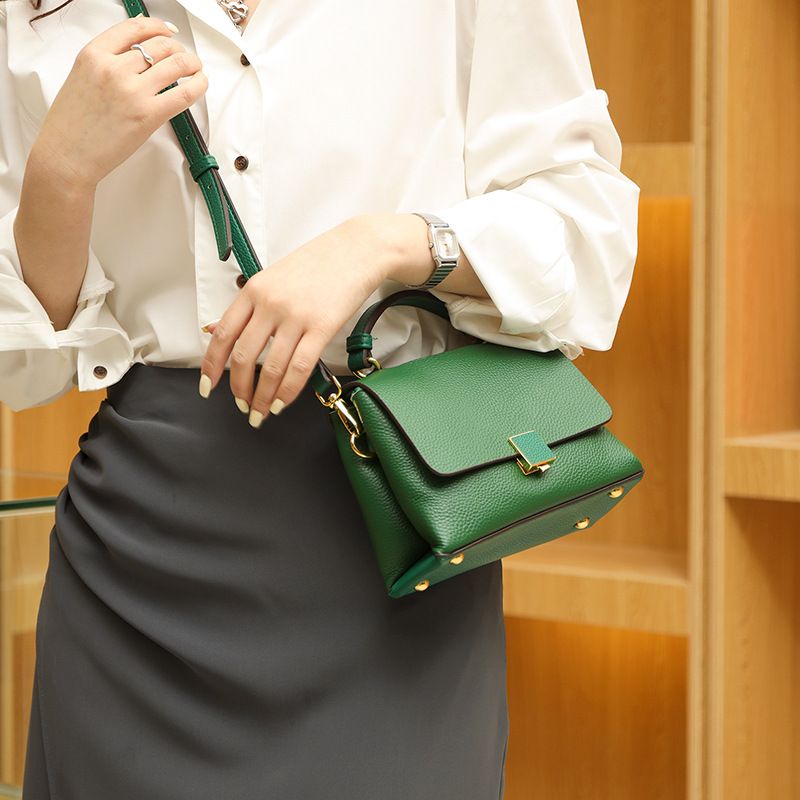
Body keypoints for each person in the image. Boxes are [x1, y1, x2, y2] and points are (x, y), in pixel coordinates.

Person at [0, 0, 640, 796]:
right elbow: (26, 369)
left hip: (394, 531)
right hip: (136, 567)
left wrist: (382, 245)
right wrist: (59, 175)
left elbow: (586, 235)